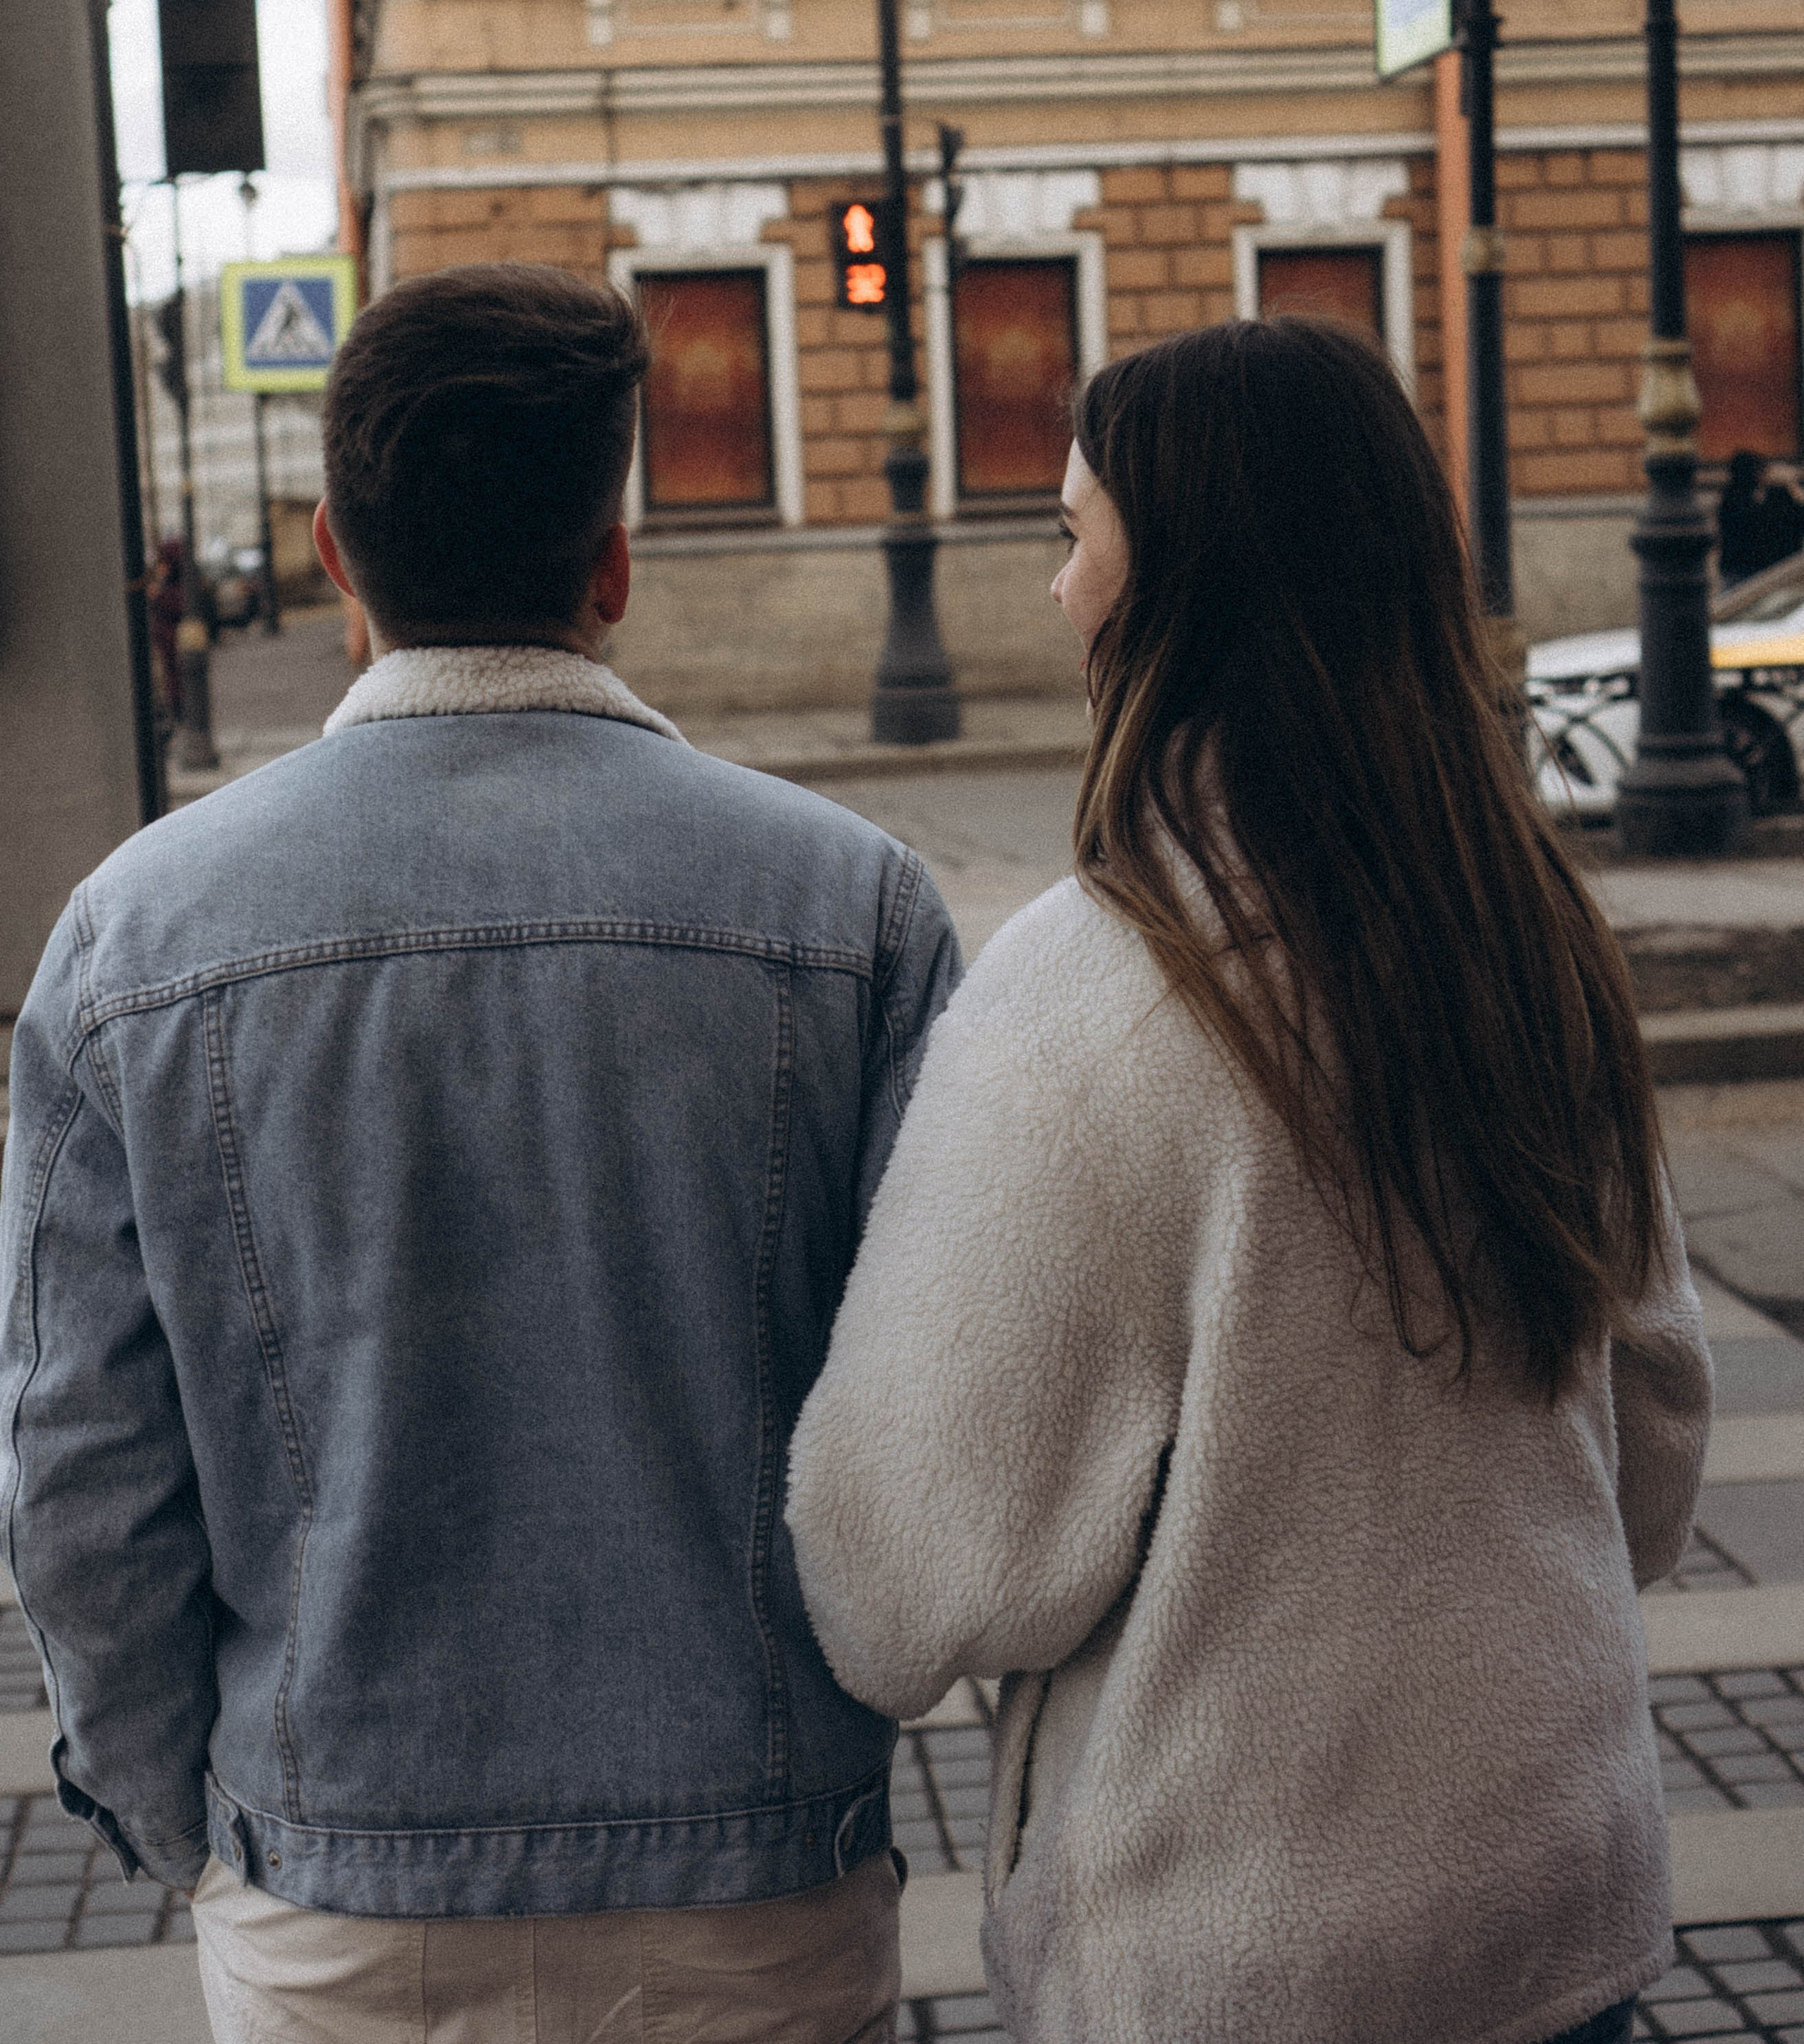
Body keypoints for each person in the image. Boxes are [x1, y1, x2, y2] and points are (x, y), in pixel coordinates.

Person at [0, 264, 960, 2044]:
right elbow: (922, 1431)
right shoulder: (852, 906)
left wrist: (192, 1829)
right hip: (757, 1883)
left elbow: (77, 1474)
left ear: (332, 555)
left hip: (333, 1898)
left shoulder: (133, 935)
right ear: (610, 561)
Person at [788, 318, 1712, 2044]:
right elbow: (1649, 1471)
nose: (1057, 594)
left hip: (1236, 1956)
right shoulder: (1526, 930)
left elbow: (908, 1575)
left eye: (1074, 537)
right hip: (1556, 1908)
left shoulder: (1095, 987)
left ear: (1178, 585)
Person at [1718, 446, 1804, 586]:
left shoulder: (1777, 495)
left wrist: (1791, 487)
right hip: (1744, 571)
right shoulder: (1735, 500)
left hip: (1774, 570)